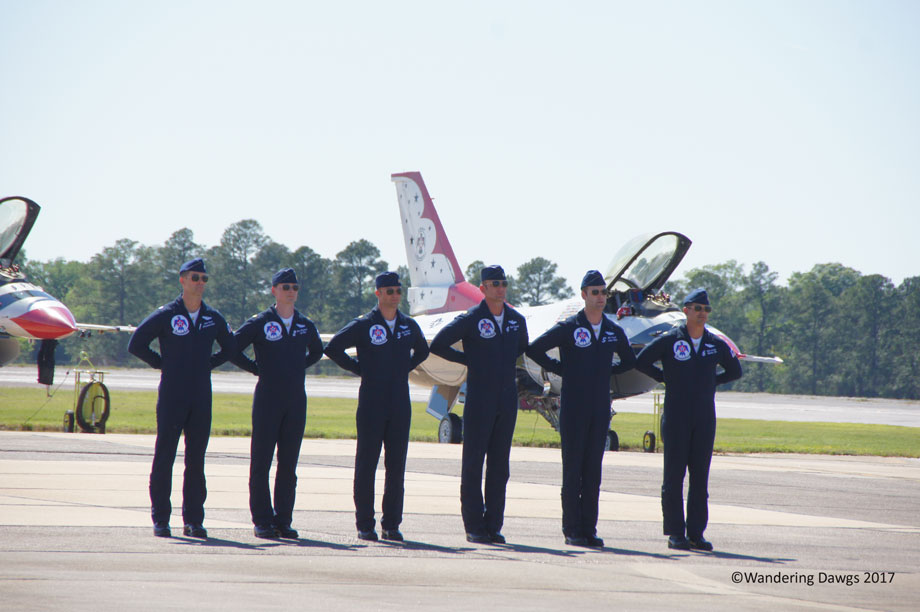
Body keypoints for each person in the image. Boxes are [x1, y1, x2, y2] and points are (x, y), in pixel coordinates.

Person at [525, 270, 636, 548]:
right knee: (573, 470)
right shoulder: (569, 327)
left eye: (604, 293)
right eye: (595, 292)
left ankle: (589, 528)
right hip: (573, 407)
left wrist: (608, 371)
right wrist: (562, 369)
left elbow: (629, 360)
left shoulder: (612, 330)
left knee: (593, 471)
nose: (600, 297)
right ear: (584, 294)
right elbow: (535, 349)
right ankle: (572, 529)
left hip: (599, 407)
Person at [128, 258, 235, 539]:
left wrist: (207, 364)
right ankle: (161, 518)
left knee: (196, 459)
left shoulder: (213, 317)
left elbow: (230, 348)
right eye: (195, 277)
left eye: (204, 279)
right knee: (165, 456)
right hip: (173, 394)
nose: (200, 283)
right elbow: (136, 343)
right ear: (183, 280)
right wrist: (162, 363)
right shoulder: (167, 314)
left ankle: (194, 520)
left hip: (200, 395)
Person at [323, 271, 429, 542]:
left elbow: (423, 351)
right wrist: (360, 369)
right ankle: (365, 525)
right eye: (390, 291)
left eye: (398, 291)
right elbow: (334, 348)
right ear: (378, 293)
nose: (395, 295)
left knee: (396, 466)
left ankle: (391, 524)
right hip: (372, 401)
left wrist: (405, 367)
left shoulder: (407, 325)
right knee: (367, 464)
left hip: (399, 403)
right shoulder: (365, 324)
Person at [635, 288, 742, 551]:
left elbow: (735, 370)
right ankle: (675, 533)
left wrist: (709, 382)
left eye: (706, 310)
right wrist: (665, 377)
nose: (702, 313)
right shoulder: (671, 340)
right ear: (686, 310)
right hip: (676, 417)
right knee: (673, 476)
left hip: (704, 418)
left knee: (700, 478)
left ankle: (696, 533)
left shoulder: (715, 344)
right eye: (697, 308)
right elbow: (641, 361)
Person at [429, 265, 528, 544]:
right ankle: (474, 526)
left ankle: (493, 525)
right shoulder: (472, 319)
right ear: (483, 289)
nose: (500, 288)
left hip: (507, 399)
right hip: (479, 399)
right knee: (473, 463)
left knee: (500, 466)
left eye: (503, 283)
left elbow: (521, 347)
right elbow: (438, 344)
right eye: (494, 284)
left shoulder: (516, 320)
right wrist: (470, 360)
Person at [230, 268, 323, 539]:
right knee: (261, 462)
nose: (291, 291)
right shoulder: (261, 322)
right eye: (285, 287)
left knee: (288, 464)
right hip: (268, 399)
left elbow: (317, 351)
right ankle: (262, 520)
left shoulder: (305, 324)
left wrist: (297, 367)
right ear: (274, 291)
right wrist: (257, 368)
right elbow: (232, 348)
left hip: (295, 400)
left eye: (294, 286)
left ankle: (283, 520)